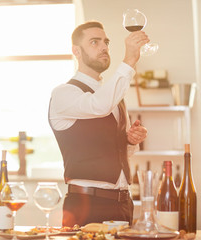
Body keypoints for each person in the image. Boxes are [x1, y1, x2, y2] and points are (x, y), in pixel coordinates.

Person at [48, 21, 148, 227]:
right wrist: (129, 59)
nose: (103, 47)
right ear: (76, 51)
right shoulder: (64, 93)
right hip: (87, 205)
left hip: (123, 203)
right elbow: (98, 105)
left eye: (106, 42)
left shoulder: (115, 97)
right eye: (94, 42)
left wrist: (130, 140)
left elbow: (121, 153)